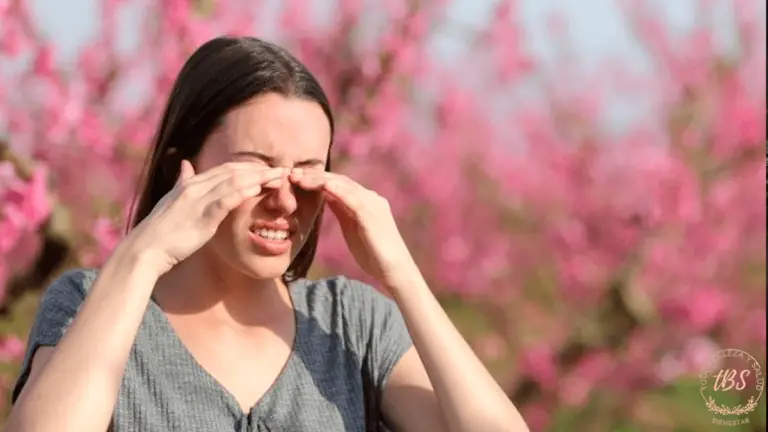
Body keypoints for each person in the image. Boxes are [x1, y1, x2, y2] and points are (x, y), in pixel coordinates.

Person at [6, 36, 528, 432]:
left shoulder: (352, 326)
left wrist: (402, 275)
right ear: (179, 171)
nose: (283, 202)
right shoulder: (90, 307)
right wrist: (141, 257)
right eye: (255, 171)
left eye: (306, 174)